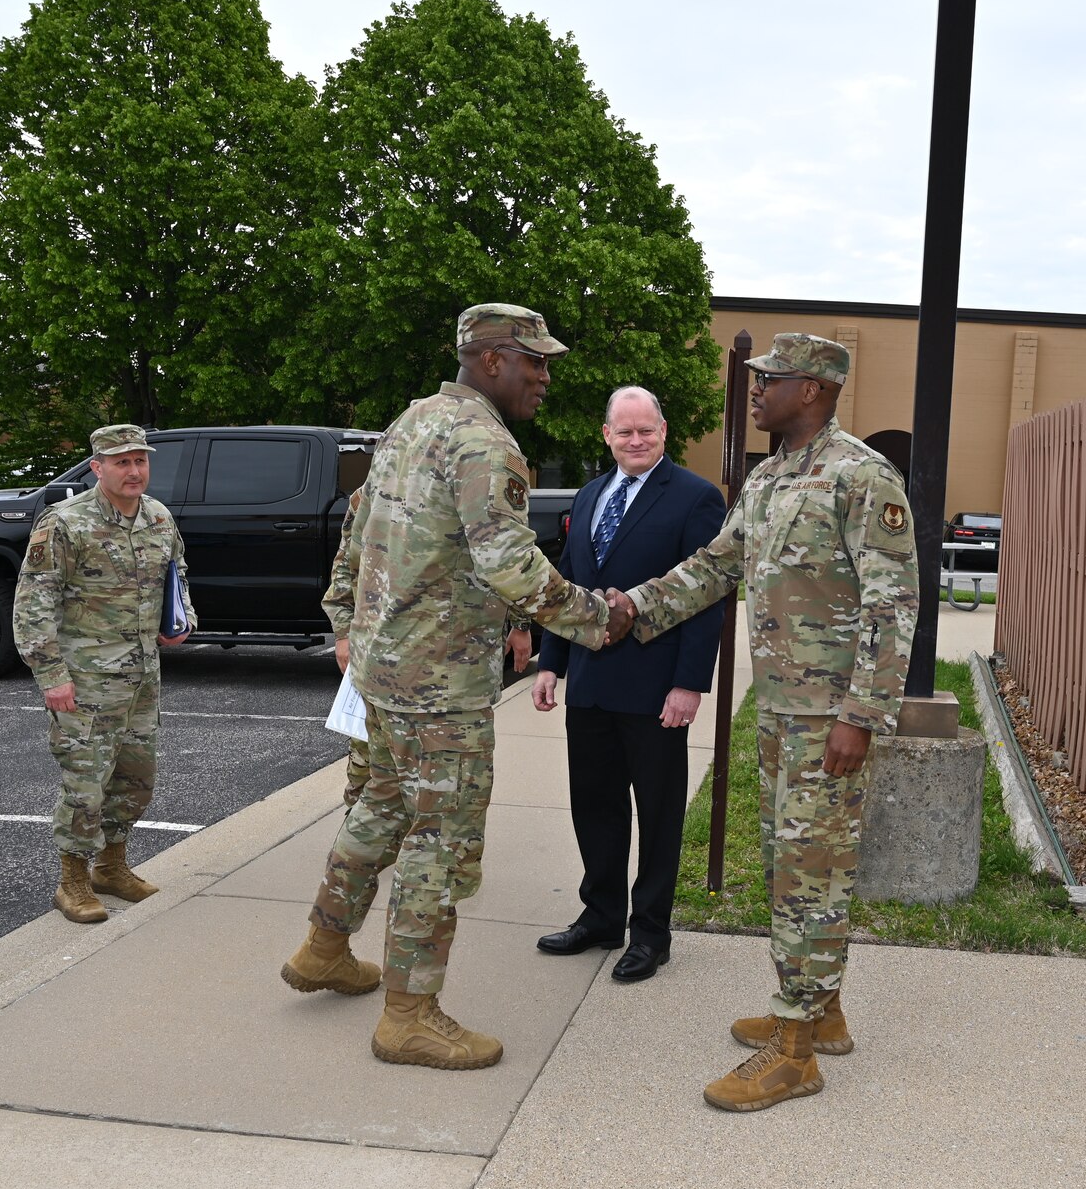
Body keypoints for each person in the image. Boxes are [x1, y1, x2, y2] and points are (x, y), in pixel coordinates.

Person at [279, 302, 626, 1072]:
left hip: (387, 668)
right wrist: (597, 618)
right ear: (493, 359)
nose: (543, 378)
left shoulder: (414, 421)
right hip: (440, 685)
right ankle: (410, 1013)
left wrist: (350, 621)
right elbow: (509, 560)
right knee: (440, 841)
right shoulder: (483, 442)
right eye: (535, 362)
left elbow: (360, 529)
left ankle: (323, 947)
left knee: (381, 808)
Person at [612, 332, 919, 1112]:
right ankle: (823, 1011)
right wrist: (635, 605)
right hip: (781, 712)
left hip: (829, 719)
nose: (755, 392)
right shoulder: (771, 477)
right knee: (795, 865)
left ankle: (794, 1051)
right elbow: (718, 565)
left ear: (811, 389)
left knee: (808, 873)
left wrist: (862, 714)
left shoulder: (859, 474)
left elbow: (893, 603)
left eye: (769, 380)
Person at [532, 385, 725, 983]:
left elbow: (707, 596)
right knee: (595, 807)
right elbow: (568, 587)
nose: (636, 440)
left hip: (655, 690)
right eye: (625, 431)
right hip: (590, 686)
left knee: (659, 813)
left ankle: (650, 933)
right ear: (607, 436)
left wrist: (689, 684)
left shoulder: (696, 498)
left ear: (664, 432)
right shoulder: (590, 495)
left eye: (646, 430)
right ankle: (600, 916)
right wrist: (550, 663)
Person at [13, 424, 193, 924]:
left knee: (136, 779)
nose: (134, 471)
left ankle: (111, 867)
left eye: (140, 461)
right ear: (97, 468)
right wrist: (51, 675)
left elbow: (176, 577)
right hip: (86, 678)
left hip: (141, 676)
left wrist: (183, 621)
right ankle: (71, 880)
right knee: (85, 782)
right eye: (122, 462)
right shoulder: (66, 523)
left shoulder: (158, 516)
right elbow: (33, 603)